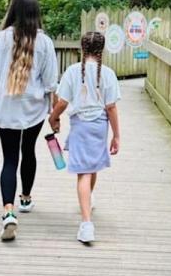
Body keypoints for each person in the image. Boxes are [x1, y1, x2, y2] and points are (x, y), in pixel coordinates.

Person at [0, 0, 59, 241]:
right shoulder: (44, 42)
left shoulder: (1, 39)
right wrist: (55, 116)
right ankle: (25, 198)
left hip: (7, 108)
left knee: (9, 159)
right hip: (34, 109)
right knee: (29, 151)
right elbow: (50, 84)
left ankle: (8, 212)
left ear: (12, 11)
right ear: (36, 13)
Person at [47, 31, 121, 244]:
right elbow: (112, 107)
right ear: (102, 50)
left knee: (83, 173)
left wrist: (54, 118)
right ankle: (88, 200)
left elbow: (61, 102)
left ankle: (86, 224)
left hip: (80, 126)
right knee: (92, 167)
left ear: (82, 49)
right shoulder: (108, 73)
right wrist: (116, 135)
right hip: (99, 126)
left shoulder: (72, 72)